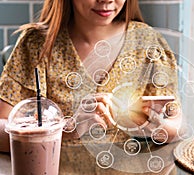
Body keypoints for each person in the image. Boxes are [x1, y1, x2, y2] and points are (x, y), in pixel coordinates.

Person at [0, 0, 182, 153]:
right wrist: (67, 128)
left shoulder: (147, 42)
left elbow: (178, 127)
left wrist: (152, 127)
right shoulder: (37, 44)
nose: (107, 0)